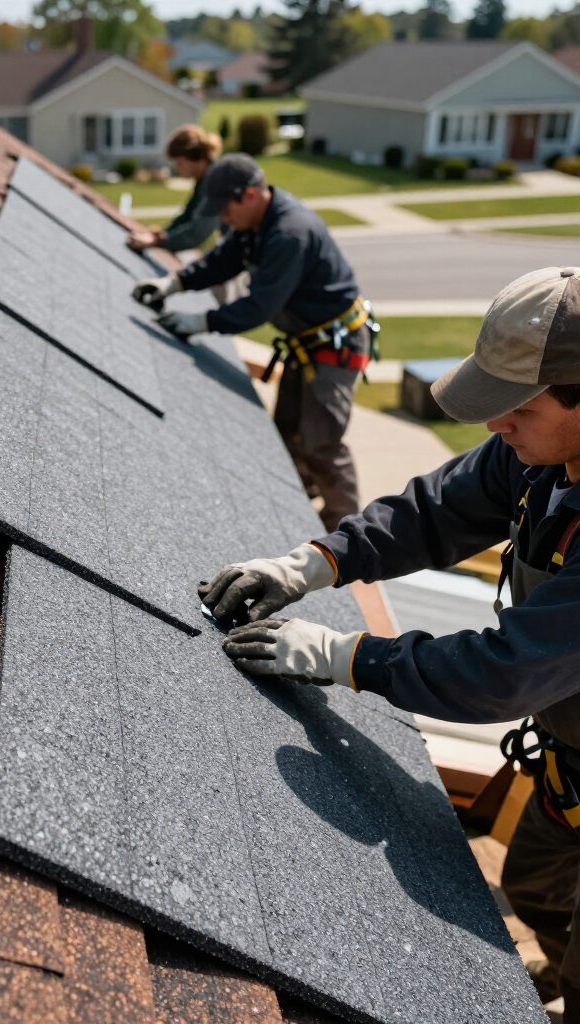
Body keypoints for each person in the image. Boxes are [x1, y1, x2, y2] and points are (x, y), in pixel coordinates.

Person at [200, 266, 580, 1022]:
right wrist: (319, 560)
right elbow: (436, 511)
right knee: (536, 884)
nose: (494, 426)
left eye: (517, 409)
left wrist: (347, 659)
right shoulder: (539, 453)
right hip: (575, 760)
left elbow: (504, 672)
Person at [133, 153, 374, 532]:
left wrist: (200, 321)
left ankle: (345, 539)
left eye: (225, 211)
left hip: (336, 345)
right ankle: (298, 512)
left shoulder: (289, 233)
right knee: (288, 434)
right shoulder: (256, 222)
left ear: (248, 196)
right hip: (308, 341)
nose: (222, 220)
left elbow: (260, 305)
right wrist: (173, 283)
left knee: (322, 445)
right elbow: (223, 260)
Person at [125, 124, 221, 254]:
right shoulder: (204, 180)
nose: (177, 167)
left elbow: (197, 233)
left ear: (195, 158)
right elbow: (188, 216)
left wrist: (158, 241)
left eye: (179, 162)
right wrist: (162, 235)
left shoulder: (216, 181)